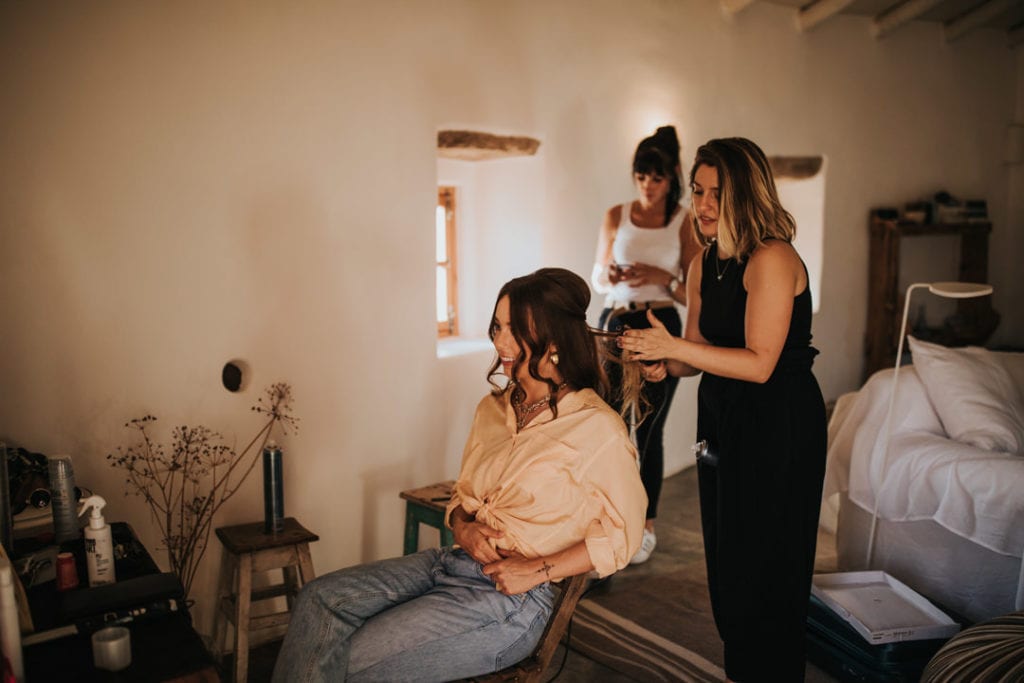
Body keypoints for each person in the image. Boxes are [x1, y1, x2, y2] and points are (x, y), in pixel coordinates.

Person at [272, 268, 647, 683]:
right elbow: (462, 497)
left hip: (514, 602)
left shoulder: (596, 428)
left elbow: (623, 534)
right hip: (451, 562)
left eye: (515, 329)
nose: (500, 342)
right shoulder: (493, 409)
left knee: (351, 659)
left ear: (555, 338)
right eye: (498, 327)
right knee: (317, 601)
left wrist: (536, 570)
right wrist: (463, 528)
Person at [617, 137, 827, 681]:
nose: (704, 204)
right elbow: (697, 354)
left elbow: (759, 363)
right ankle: (743, 669)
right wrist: (666, 364)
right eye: (698, 191)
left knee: (769, 563)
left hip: (778, 424)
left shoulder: (773, 258)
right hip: (721, 422)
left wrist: (675, 350)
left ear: (747, 193)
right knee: (728, 555)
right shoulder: (702, 264)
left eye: (717, 193)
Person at [590, 125, 703, 564]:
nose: (647, 186)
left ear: (670, 179)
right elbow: (598, 274)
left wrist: (662, 278)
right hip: (615, 319)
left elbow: (693, 294)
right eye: (640, 177)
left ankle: (648, 522)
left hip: (660, 320)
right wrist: (612, 276)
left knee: (647, 426)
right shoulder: (616, 214)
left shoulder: (683, 221)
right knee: (609, 423)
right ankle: (609, 515)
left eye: (656, 178)